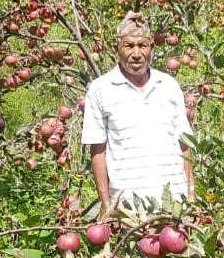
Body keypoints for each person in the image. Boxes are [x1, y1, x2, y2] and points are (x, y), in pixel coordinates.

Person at [81, 11, 195, 216]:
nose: (136, 53)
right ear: (118, 47)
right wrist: (106, 204)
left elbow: (184, 145)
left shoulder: (169, 85)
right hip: (129, 209)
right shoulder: (100, 89)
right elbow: (98, 150)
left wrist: (191, 195)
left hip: (176, 205)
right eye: (129, 45)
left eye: (142, 45)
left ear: (151, 47)